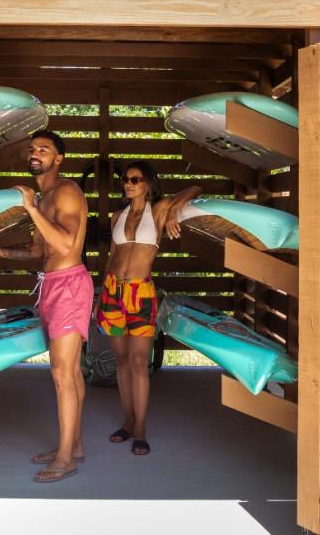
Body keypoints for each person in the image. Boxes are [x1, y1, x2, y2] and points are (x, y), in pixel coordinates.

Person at [0, 129, 92, 483]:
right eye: (32, 148)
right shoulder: (43, 198)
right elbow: (38, 252)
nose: (36, 152)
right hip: (51, 286)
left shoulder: (67, 191)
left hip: (70, 286)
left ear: (58, 159)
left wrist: (30, 209)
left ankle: (66, 458)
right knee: (71, 372)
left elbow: (66, 245)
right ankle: (74, 446)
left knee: (61, 373)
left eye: (45, 148)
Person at [96, 160, 200, 457]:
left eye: (135, 179)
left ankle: (140, 428)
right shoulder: (118, 215)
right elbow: (112, 257)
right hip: (113, 292)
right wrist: (102, 292)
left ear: (148, 184)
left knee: (140, 363)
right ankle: (127, 421)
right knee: (122, 361)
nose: (128, 184)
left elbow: (195, 187)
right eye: (125, 180)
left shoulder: (159, 210)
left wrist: (173, 214)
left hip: (140, 292)